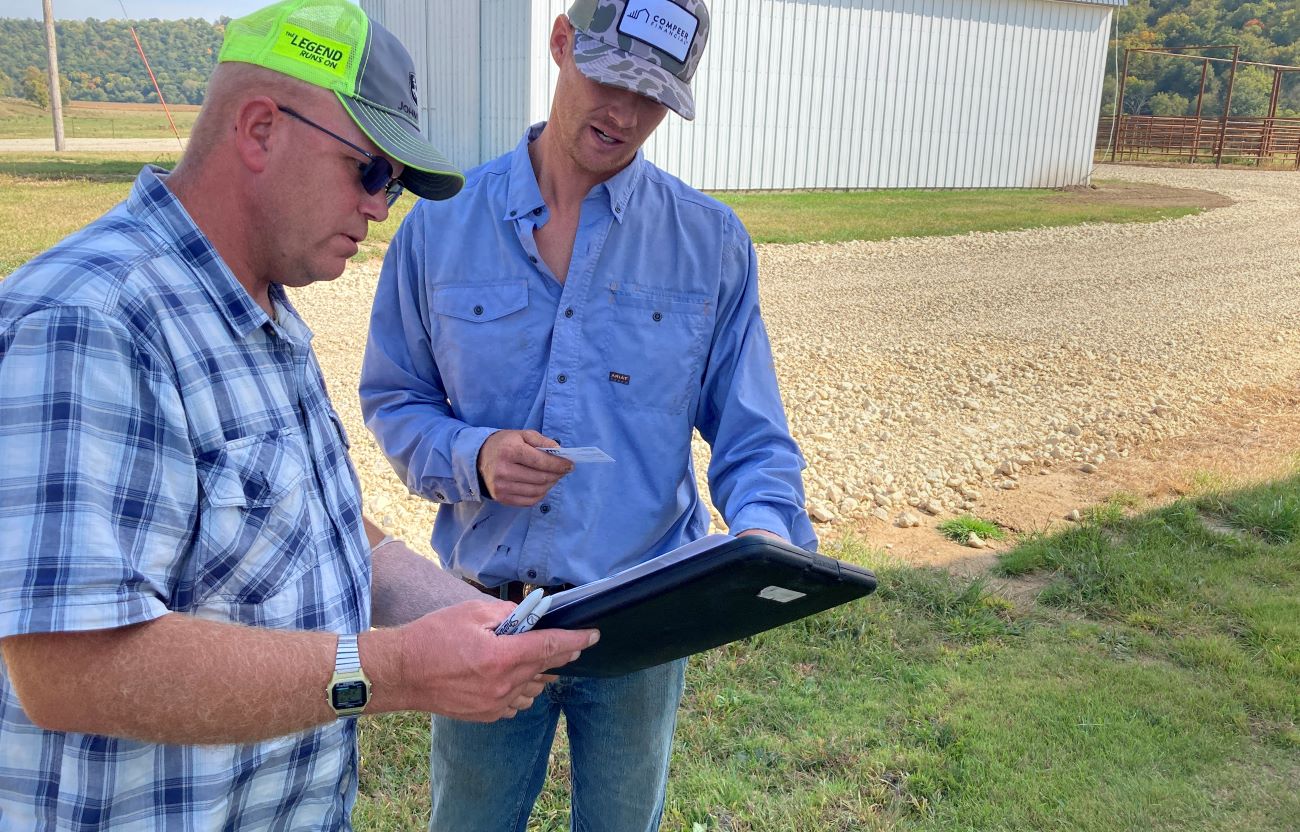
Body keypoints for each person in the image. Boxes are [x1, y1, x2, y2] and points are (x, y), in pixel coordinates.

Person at [0, 1, 597, 829]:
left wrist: (478, 619)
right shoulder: (93, 320)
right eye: (371, 172)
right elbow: (69, 667)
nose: (383, 206)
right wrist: (394, 671)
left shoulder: (265, 314)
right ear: (258, 129)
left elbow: (336, 537)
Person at [359, 0, 817, 828]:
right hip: (484, 616)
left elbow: (752, 435)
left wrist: (768, 538)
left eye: (654, 99)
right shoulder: (438, 229)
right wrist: (476, 454)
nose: (626, 116)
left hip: (642, 620)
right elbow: (394, 399)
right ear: (562, 43)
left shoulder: (710, 244)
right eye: (611, 80)